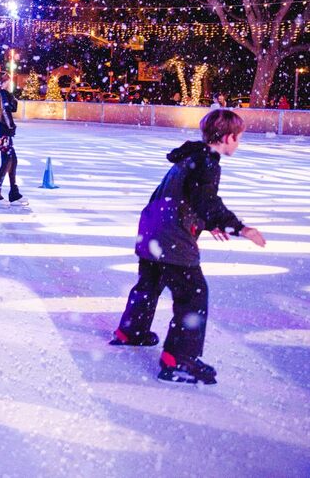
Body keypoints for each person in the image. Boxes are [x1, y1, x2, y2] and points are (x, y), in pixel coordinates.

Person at [110, 109, 265, 385]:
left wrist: (208, 223)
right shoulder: (206, 163)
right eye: (238, 138)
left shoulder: (190, 157)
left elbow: (186, 198)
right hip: (172, 238)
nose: (239, 143)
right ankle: (179, 360)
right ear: (228, 137)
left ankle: (131, 331)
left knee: (150, 283)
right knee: (193, 296)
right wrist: (240, 227)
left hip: (152, 230)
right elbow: (206, 202)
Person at [0, 72, 26, 206]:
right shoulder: (2, 94)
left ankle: (13, 192)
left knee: (12, 160)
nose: (10, 83)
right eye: (8, 81)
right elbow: (5, 111)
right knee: (7, 161)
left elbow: (10, 108)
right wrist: (11, 127)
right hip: (4, 130)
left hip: (0, 130)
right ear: (3, 82)